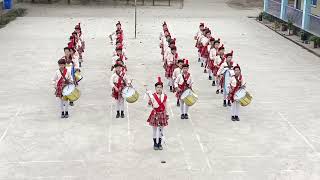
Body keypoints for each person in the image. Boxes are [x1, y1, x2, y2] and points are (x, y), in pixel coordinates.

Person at [146, 77, 169, 150]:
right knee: (155, 130)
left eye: (160, 87)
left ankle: (160, 143)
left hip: (162, 114)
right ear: (155, 88)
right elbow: (149, 105)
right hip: (155, 113)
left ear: (162, 88)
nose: (159, 88)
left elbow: (166, 105)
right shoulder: (152, 96)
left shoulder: (164, 96)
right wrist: (149, 98)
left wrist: (167, 114)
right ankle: (155, 143)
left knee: (161, 130)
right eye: (157, 87)